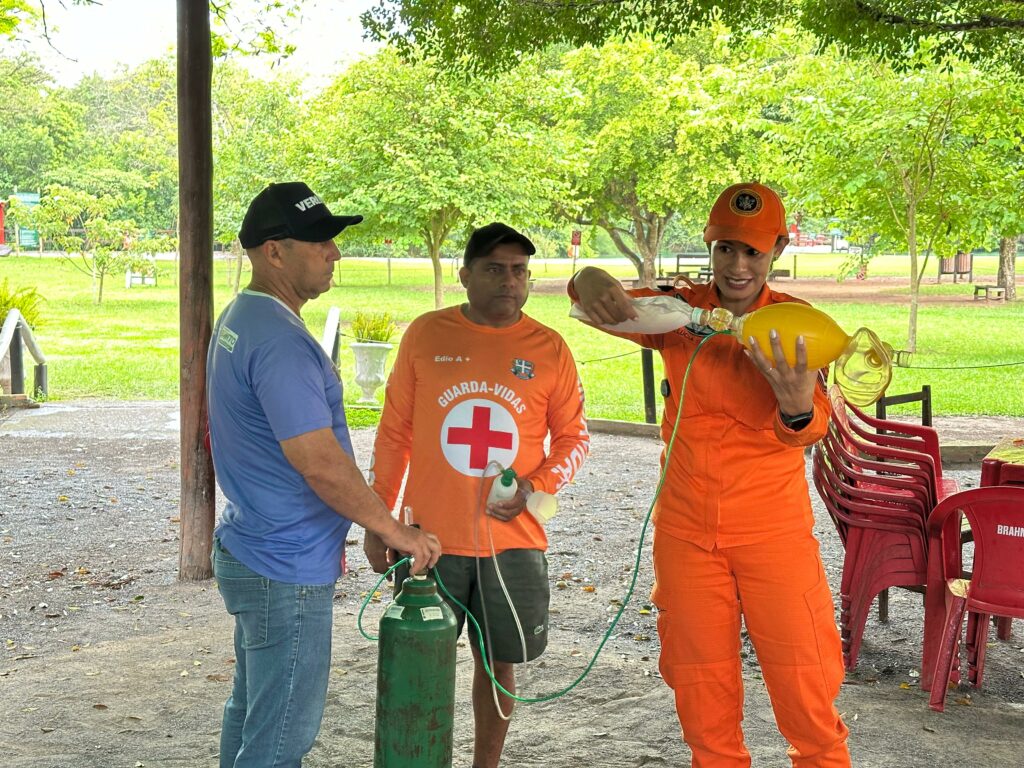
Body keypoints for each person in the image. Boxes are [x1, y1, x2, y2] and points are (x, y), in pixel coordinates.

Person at [570, 182, 851, 767]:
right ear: (710, 247)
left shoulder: (797, 326)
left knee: (807, 697)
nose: (738, 265)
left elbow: (813, 424)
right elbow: (603, 304)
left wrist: (797, 404)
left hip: (773, 537)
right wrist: (588, 277)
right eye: (726, 249)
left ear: (777, 247)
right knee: (703, 701)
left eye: (753, 252)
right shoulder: (680, 312)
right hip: (687, 537)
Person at [206, 181, 442, 768]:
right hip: (283, 564)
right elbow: (318, 462)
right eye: (319, 240)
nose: (334, 251)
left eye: (333, 240)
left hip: (255, 545)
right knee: (283, 731)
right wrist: (395, 529)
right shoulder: (279, 341)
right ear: (274, 252)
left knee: (253, 710)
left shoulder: (244, 315)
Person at [364, 222, 590, 768]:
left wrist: (536, 486)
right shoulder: (426, 334)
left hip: (512, 543)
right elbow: (394, 433)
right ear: (465, 276)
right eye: (493, 269)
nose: (508, 282)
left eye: (519, 271)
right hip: (428, 541)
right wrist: (379, 521)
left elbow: (574, 438)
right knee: (421, 662)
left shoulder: (549, 348)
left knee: (499, 668)